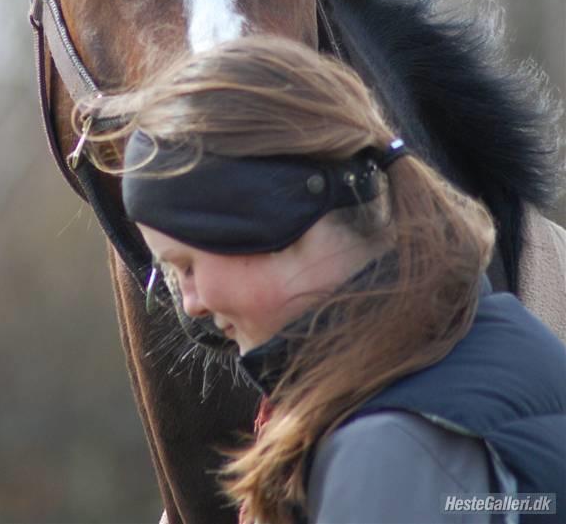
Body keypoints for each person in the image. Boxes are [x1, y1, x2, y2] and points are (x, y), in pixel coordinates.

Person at [87, 36, 566, 524]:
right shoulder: (490, 330)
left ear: (264, 223)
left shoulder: (385, 455)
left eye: (186, 265)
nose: (190, 303)